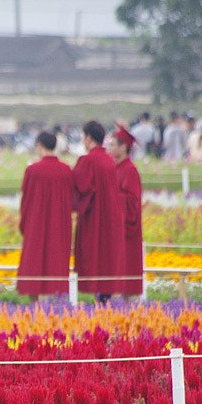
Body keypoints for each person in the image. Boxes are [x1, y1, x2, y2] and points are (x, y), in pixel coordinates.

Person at [17, 131, 73, 301]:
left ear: (39, 146)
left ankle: (35, 307)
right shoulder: (66, 171)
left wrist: (24, 224)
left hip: (36, 225)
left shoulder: (32, 170)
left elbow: (25, 201)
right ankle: (55, 309)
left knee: (34, 265)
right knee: (55, 263)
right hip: (59, 226)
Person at [73, 121, 125, 302]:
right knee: (106, 259)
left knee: (92, 257)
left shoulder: (87, 161)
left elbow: (79, 187)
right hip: (111, 217)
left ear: (88, 138)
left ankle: (95, 299)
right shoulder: (109, 160)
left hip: (94, 218)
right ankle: (104, 298)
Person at [108, 124, 143, 298]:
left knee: (126, 274)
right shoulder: (114, 168)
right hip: (115, 227)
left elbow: (133, 201)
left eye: (113, 145)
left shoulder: (130, 170)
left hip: (127, 228)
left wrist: (112, 196)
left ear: (123, 147)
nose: (110, 149)